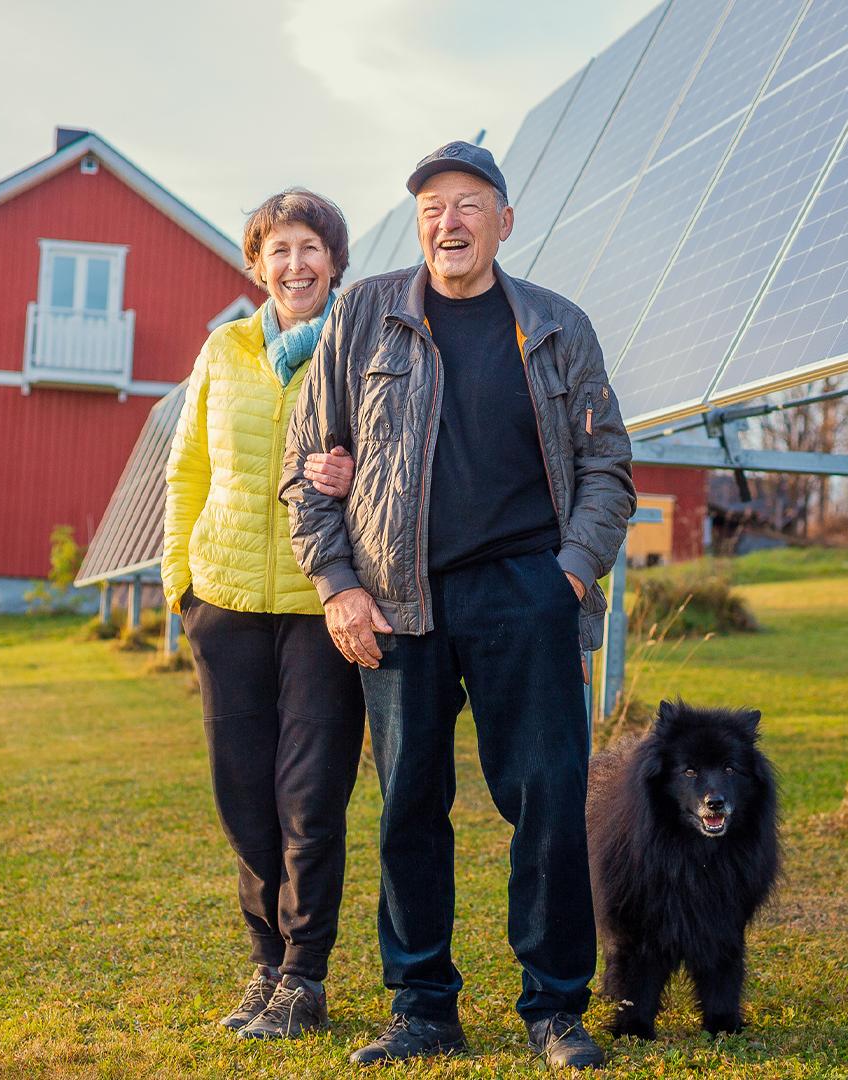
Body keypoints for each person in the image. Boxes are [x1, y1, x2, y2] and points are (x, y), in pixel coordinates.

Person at [281, 142, 635, 1069]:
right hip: (399, 602)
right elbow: (305, 470)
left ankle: (556, 1007)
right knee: (410, 806)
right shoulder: (364, 315)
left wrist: (570, 571)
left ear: (504, 223)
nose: (450, 222)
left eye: (470, 204)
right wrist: (340, 587)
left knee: (551, 800)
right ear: (418, 224)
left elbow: (609, 467)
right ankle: (423, 1008)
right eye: (434, 206)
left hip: (528, 593)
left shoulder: (557, 326)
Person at [162, 188, 364, 1041]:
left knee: (310, 801)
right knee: (243, 796)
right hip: (227, 604)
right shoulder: (224, 349)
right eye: (278, 250)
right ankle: (266, 965)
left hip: (325, 609)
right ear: (257, 263)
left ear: (335, 262)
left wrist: (359, 478)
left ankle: (305, 978)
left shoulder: (365, 349)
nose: (295, 265)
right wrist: (183, 589)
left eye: (310, 248)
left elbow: (400, 462)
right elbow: (186, 472)